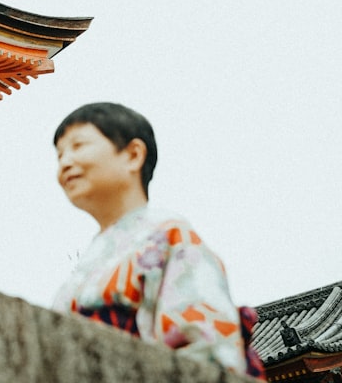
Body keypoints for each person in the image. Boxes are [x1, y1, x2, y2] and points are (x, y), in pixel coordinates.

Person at [51, 102, 263, 378]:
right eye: (59, 155)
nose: (65, 161)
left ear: (133, 155)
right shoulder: (88, 264)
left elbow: (204, 352)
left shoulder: (169, 236)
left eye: (78, 146)